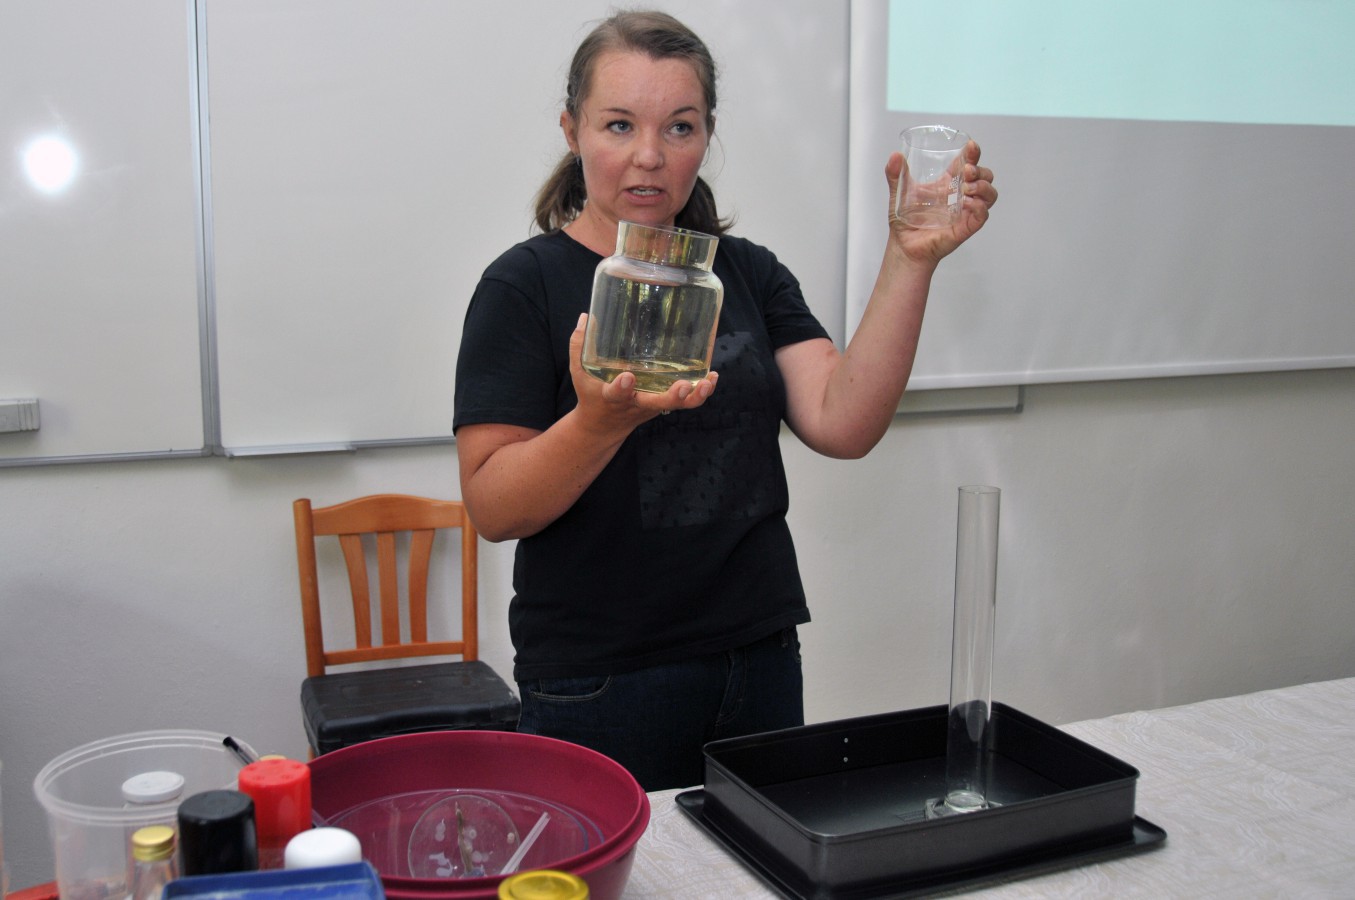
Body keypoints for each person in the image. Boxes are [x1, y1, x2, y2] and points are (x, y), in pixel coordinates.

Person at [453, 10, 996, 791]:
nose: (648, 156)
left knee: (764, 856)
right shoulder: (523, 284)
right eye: (618, 125)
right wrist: (599, 423)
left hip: (758, 658)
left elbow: (843, 422)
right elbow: (494, 507)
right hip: (600, 680)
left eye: (679, 127)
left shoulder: (746, 272)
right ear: (572, 131)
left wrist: (910, 259)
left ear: (706, 136)